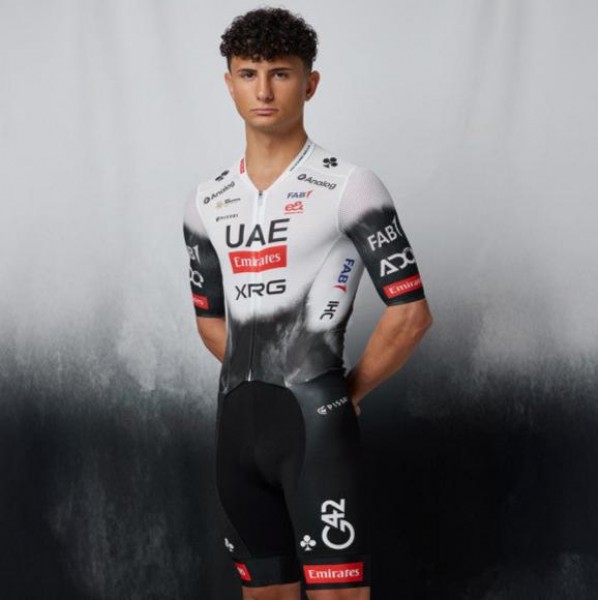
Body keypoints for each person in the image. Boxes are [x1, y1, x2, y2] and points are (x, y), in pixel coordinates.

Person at [183, 7, 433, 599]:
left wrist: (343, 395)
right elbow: (210, 322)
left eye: (280, 73)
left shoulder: (349, 186)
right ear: (229, 84)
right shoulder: (205, 200)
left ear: (310, 83)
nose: (263, 91)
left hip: (315, 431)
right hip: (235, 431)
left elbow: (411, 314)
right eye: (248, 74)